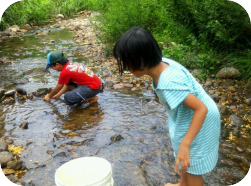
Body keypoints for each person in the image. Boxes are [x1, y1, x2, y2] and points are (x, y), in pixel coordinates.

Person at [113, 27, 220, 186]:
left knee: (192, 165)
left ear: (141, 59)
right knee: (184, 156)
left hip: (200, 119)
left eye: (127, 61)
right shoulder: (164, 63)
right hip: (188, 115)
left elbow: (201, 108)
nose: (126, 67)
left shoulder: (167, 83)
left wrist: (186, 143)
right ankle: (183, 185)